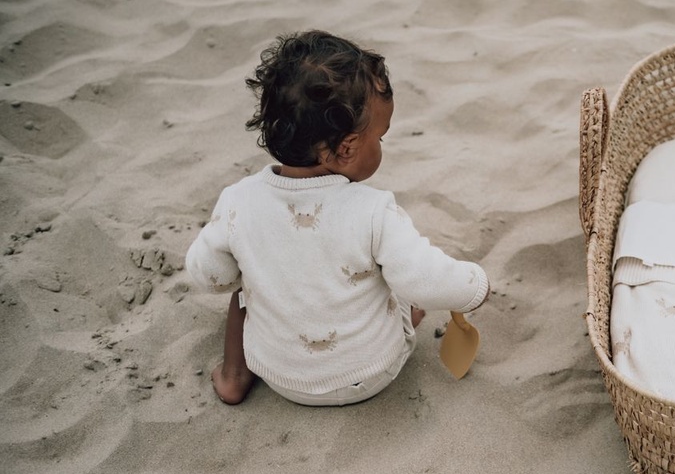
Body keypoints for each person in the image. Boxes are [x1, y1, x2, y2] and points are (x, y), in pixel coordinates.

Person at [186, 30, 489, 406]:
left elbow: (207, 275)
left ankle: (234, 376)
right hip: (373, 371)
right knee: (394, 279)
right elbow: (427, 280)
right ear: (346, 149)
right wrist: (476, 285)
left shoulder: (237, 202)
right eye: (381, 137)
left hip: (282, 378)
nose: (381, 145)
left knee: (242, 289)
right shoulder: (374, 211)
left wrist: (253, 269)